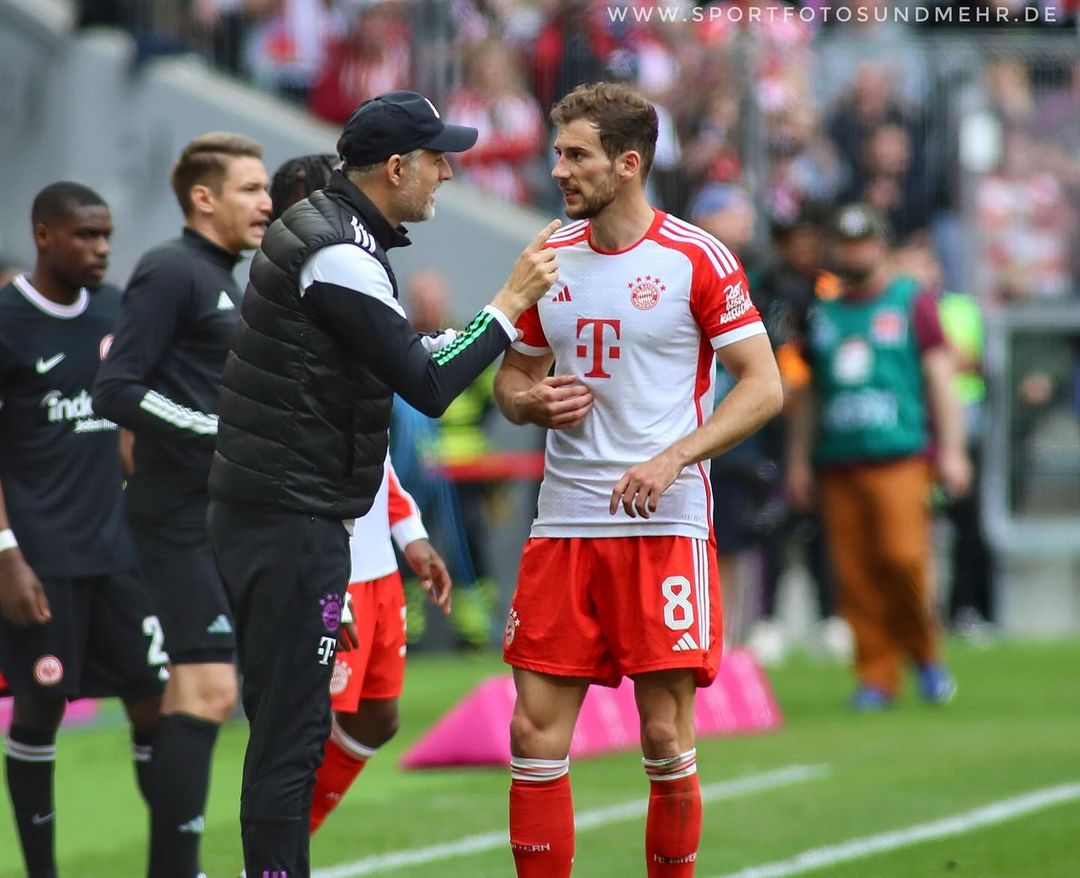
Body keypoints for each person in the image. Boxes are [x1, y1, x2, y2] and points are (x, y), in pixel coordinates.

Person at [205, 90, 560, 877]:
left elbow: (387, 357)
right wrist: (508, 307)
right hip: (292, 521)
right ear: (396, 167)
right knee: (292, 739)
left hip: (291, 516)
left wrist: (401, 528)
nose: (446, 175)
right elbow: (427, 383)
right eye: (437, 160)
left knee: (297, 732)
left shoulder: (337, 234)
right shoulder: (338, 249)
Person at [494, 82, 783, 877]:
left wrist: (673, 457)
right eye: (557, 152)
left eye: (576, 154)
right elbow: (511, 382)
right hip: (563, 524)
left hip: (663, 525)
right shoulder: (546, 260)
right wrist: (529, 402)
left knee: (663, 735)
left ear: (628, 164)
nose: (559, 169)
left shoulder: (696, 257)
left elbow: (764, 386)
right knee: (532, 736)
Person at [92, 132, 272, 878]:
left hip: (223, 515)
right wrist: (211, 430)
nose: (266, 203)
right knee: (206, 688)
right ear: (203, 198)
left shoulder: (229, 277)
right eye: (250, 190)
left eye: (266, 190)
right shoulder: (171, 270)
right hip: (174, 517)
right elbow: (116, 388)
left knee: (213, 690)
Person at [264, 153, 454, 835]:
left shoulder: (358, 291)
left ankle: (287, 841)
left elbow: (368, 440)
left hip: (376, 565)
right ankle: (276, 853)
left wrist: (411, 534)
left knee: (378, 716)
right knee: (306, 724)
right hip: (326, 561)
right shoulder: (284, 320)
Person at [0, 182, 164, 877]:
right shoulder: (6, 320)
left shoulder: (115, 309)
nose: (102, 249)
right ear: (44, 235)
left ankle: (175, 862)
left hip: (119, 551)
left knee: (157, 702)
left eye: (106, 236)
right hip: (40, 557)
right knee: (39, 707)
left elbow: (128, 422)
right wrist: (6, 554)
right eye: (86, 237)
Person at [786, 204, 970, 711]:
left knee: (904, 559)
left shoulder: (911, 301)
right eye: (845, 243)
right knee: (855, 574)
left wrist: (952, 450)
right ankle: (875, 675)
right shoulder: (823, 312)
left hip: (900, 454)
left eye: (863, 242)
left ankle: (926, 656)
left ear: (880, 245)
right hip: (840, 459)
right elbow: (810, 396)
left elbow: (940, 378)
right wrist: (799, 460)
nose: (854, 252)